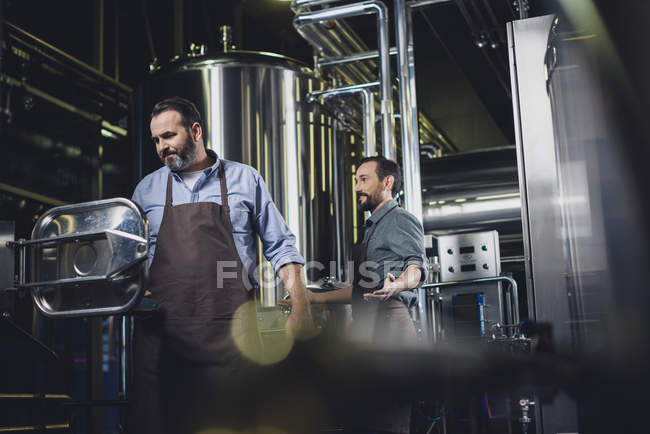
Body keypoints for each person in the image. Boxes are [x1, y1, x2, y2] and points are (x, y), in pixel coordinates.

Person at [130, 96, 313, 434]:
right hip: (163, 337)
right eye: (156, 140)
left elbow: (280, 245)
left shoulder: (245, 179)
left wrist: (301, 306)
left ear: (195, 130)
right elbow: (129, 258)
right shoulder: (147, 190)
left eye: (169, 136)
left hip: (232, 336)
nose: (162, 147)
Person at [281, 155, 427, 434]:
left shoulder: (400, 219)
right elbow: (362, 290)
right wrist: (313, 299)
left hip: (389, 326)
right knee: (365, 419)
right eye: (356, 180)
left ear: (387, 182)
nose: (357, 187)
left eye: (363, 179)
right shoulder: (373, 227)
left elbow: (416, 267)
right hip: (368, 323)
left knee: (387, 421)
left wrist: (397, 285)